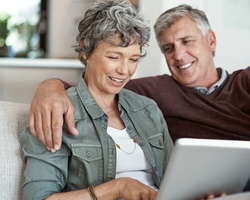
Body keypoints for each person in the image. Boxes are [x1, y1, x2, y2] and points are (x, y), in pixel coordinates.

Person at [29, 3, 250, 151]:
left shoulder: (244, 82)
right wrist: (51, 86)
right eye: (168, 47)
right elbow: (96, 88)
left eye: (187, 41)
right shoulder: (155, 90)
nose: (179, 55)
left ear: (210, 41)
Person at [20, 1, 173, 199]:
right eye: (113, 57)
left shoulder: (148, 109)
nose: (124, 70)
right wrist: (118, 187)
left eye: (133, 59)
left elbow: (175, 180)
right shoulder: (55, 113)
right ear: (85, 51)